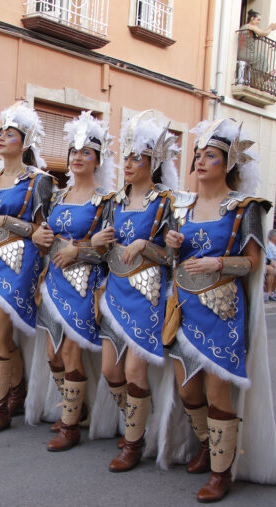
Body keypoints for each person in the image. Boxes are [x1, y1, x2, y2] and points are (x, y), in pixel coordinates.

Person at [165, 118, 276, 502]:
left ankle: (222, 470)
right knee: (187, 390)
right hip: (183, 304)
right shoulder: (181, 204)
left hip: (222, 308)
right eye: (198, 155)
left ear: (228, 163)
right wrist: (172, 243)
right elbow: (173, 259)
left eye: (211, 156)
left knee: (218, 392)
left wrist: (217, 263)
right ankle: (206, 444)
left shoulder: (244, 208)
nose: (201, 161)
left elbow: (253, 262)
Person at [90, 110, 180, 470]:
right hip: (113, 291)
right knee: (111, 372)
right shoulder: (113, 201)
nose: (128, 164)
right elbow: (101, 249)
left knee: (133, 372)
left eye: (136, 158)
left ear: (152, 162)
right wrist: (96, 242)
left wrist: (147, 245)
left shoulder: (168, 203)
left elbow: (173, 256)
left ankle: (133, 443)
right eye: (126, 157)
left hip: (147, 294)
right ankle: (135, 423)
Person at [32, 111, 115, 451]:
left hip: (84, 284)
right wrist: (39, 235)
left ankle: (70, 426)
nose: (78, 158)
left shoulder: (106, 201)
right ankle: (75, 409)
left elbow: (107, 251)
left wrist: (80, 250)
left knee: (70, 352)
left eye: (86, 153)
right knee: (53, 355)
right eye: (74, 152)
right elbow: (45, 236)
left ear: (98, 160)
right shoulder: (57, 197)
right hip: (52, 283)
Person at [0, 101, 53, 435]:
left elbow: (41, 232)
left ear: (24, 142)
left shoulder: (38, 181)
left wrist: (7, 221)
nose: (2, 138)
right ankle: (14, 392)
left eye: (10, 134)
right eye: (1, 132)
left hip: (20, 264)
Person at [237, 9, 276, 81]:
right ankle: (260, 77)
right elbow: (262, 33)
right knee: (262, 57)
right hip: (245, 54)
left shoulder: (247, 27)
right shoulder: (250, 26)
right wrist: (270, 28)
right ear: (252, 18)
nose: (259, 22)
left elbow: (260, 34)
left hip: (245, 53)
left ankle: (260, 76)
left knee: (260, 58)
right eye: (258, 20)